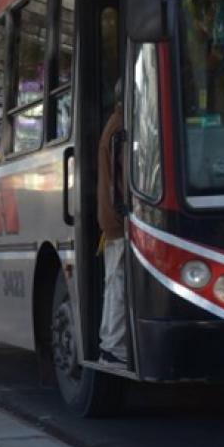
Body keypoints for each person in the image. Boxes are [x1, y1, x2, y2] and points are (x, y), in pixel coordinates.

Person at [97, 84, 129, 366]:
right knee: (118, 283)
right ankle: (114, 347)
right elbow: (126, 178)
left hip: (112, 217)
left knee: (115, 282)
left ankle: (112, 345)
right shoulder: (121, 128)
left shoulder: (114, 123)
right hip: (120, 219)